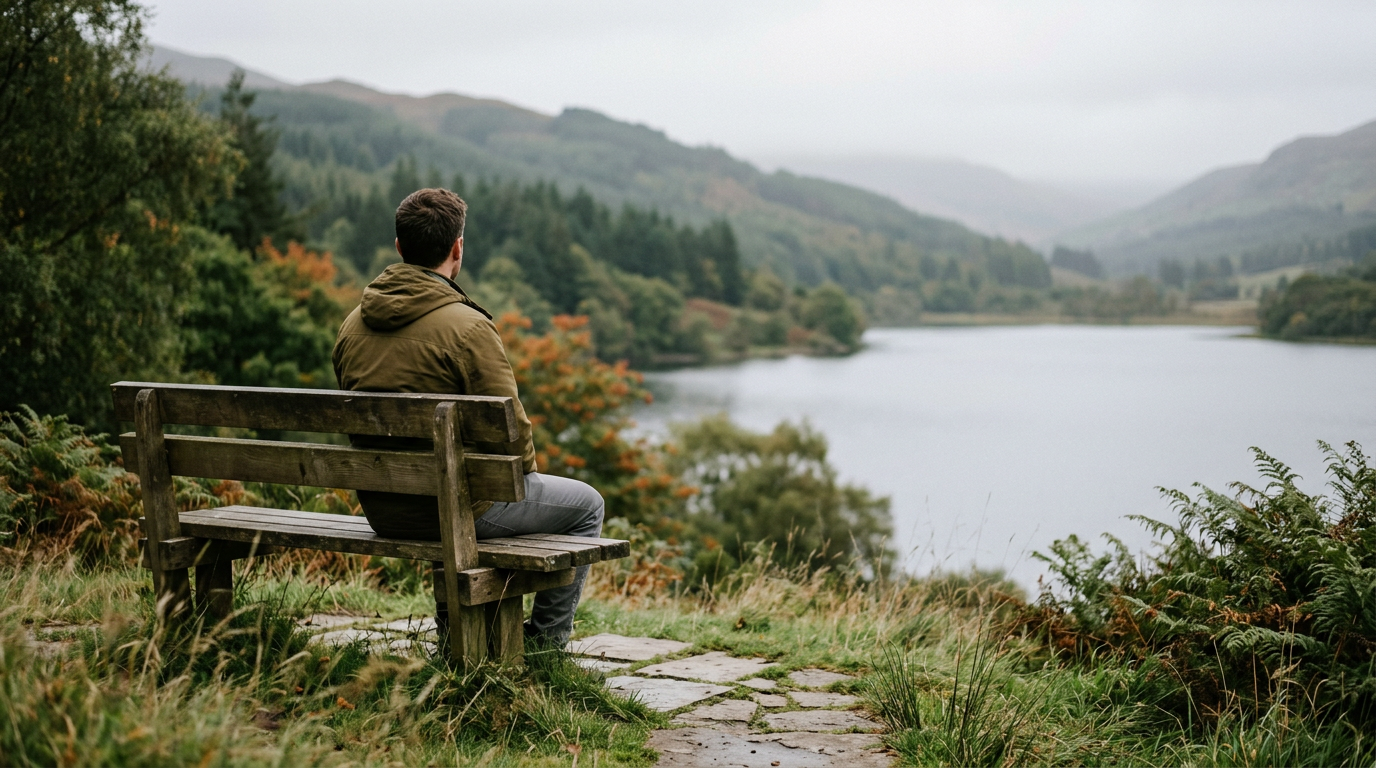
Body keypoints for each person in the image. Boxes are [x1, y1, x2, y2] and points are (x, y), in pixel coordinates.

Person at [332, 187, 604, 646]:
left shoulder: (352, 325)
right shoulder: (469, 327)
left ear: (399, 246)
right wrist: (520, 475)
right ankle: (547, 644)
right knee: (587, 506)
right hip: (455, 509)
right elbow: (510, 435)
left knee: (453, 484)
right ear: (457, 248)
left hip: (382, 507)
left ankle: (461, 634)